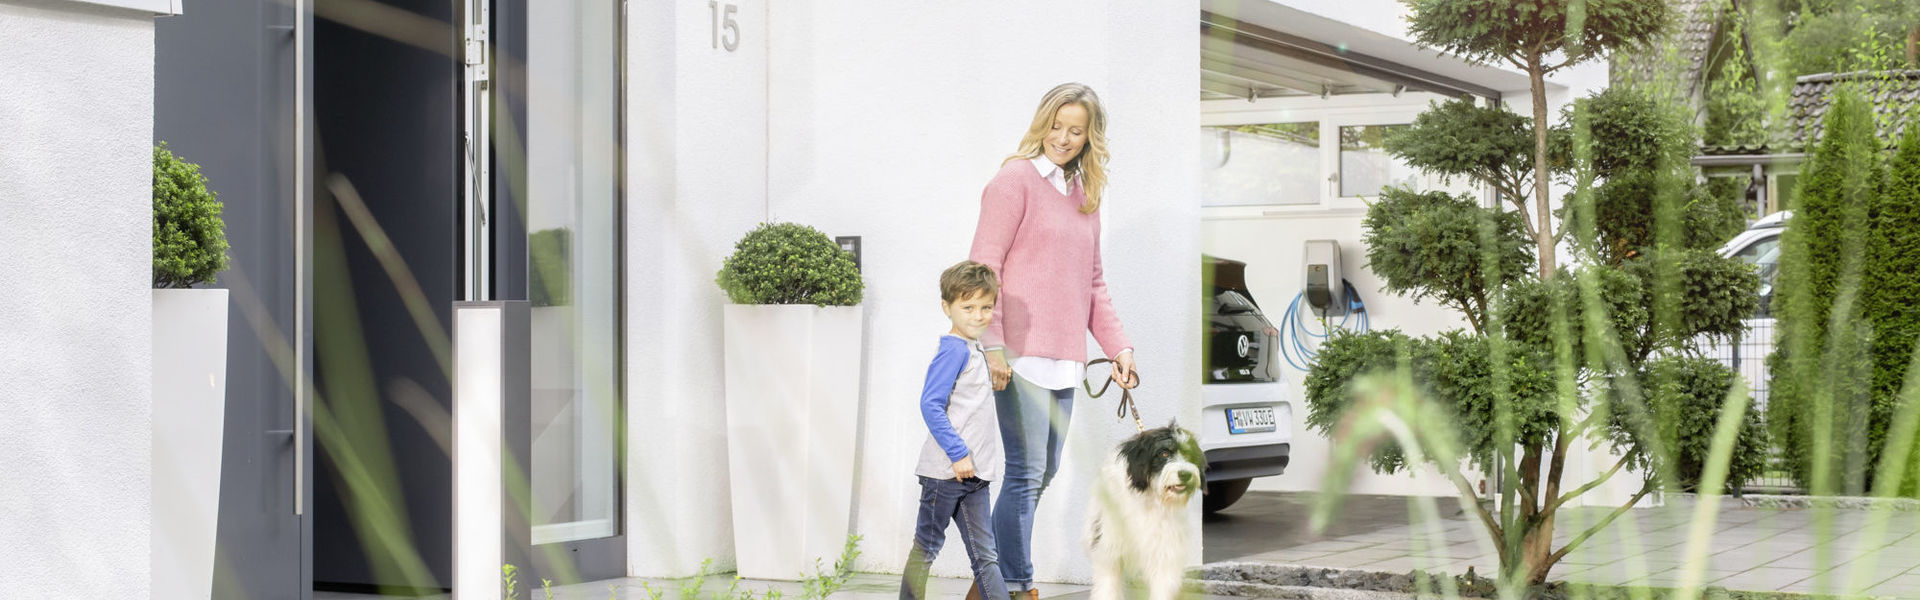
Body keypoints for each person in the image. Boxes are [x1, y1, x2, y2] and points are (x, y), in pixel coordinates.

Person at [969, 82, 1136, 600]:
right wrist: (991, 346)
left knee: (1044, 473)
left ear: (1090, 137)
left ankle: (986, 582)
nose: (1063, 138)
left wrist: (1119, 348)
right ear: (1043, 124)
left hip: (1064, 357)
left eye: (1076, 130)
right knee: (1025, 472)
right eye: (1057, 126)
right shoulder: (1012, 181)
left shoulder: (1085, 196)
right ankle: (1018, 587)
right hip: (1016, 356)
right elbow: (983, 270)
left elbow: (1093, 283)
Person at [900, 261, 1010, 600]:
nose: (978, 316)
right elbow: (930, 404)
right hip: (946, 474)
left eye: (986, 307)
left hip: (975, 476)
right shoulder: (952, 350)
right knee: (927, 547)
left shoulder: (974, 349)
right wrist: (958, 453)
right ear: (947, 307)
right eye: (968, 307)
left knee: (986, 556)